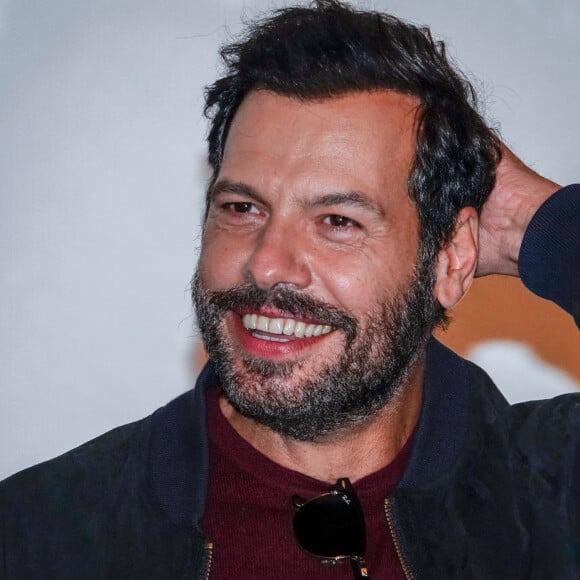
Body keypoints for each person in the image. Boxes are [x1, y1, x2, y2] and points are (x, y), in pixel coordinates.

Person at [1, 1, 579, 578]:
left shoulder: (552, 494)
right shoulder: (38, 534)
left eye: (337, 220)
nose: (267, 266)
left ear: (450, 259)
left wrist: (540, 222)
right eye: (242, 208)